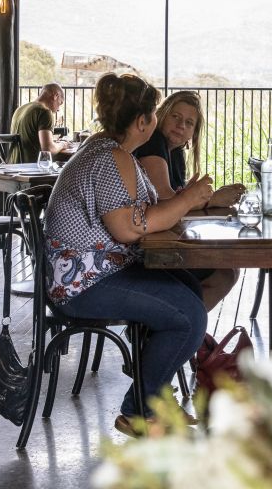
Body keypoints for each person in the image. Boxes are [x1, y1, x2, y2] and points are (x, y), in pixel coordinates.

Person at [43, 73, 213, 436]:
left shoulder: (110, 150)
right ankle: (139, 412)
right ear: (142, 121)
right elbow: (128, 228)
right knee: (188, 316)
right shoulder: (111, 157)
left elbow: (142, 216)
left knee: (188, 287)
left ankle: (154, 396)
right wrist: (189, 198)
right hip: (82, 283)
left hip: (93, 270)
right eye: (154, 114)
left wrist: (186, 200)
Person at [134, 90, 242, 309]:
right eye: (176, 117)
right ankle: (176, 329)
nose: (181, 125)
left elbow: (177, 205)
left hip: (154, 238)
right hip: (138, 248)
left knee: (227, 271)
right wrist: (210, 199)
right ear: (162, 115)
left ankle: (176, 328)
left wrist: (192, 197)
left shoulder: (175, 153)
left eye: (189, 122)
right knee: (225, 272)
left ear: (194, 133)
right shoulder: (154, 142)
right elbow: (166, 201)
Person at [8, 83, 68, 164]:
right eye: (60, 103)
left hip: (13, 166)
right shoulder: (44, 112)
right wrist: (62, 144)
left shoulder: (20, 109)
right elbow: (48, 150)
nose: (58, 109)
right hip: (32, 168)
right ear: (55, 96)